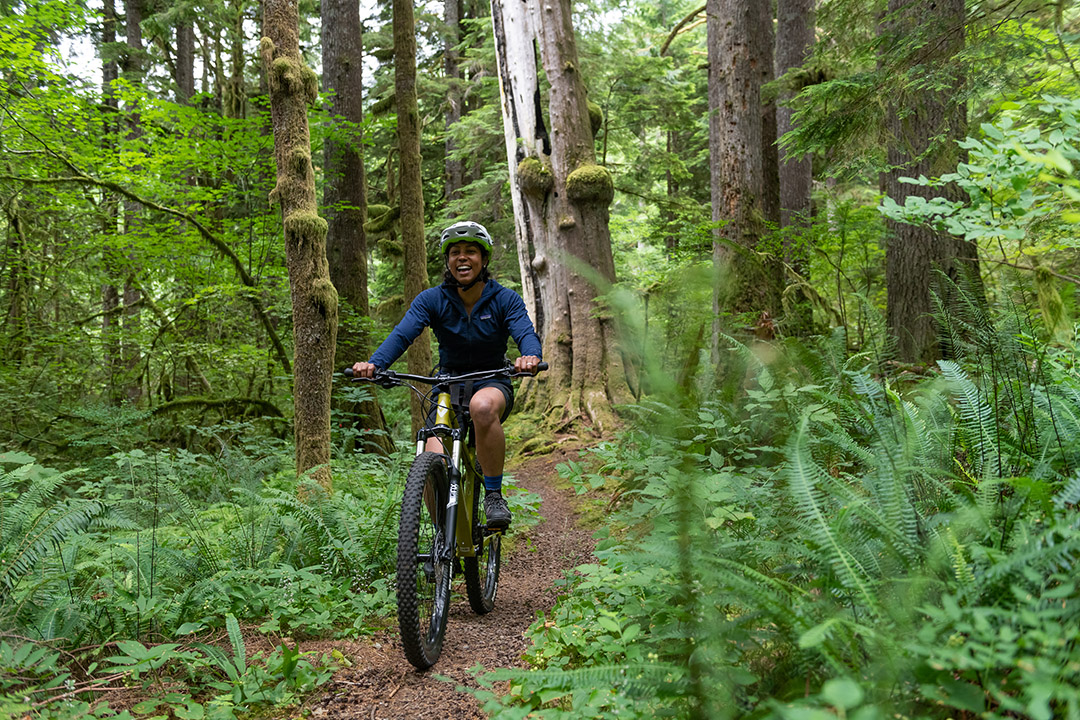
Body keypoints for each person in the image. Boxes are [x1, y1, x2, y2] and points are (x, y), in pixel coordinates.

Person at [352, 220, 542, 528]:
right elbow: (403, 334)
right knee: (430, 455)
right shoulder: (432, 300)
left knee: (481, 408)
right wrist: (376, 363)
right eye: (455, 252)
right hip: (447, 384)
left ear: (484, 259)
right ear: (447, 260)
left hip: (491, 380)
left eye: (470, 251)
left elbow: (524, 331)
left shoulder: (505, 299)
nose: (462, 257)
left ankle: (493, 496)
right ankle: (442, 534)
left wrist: (530, 357)